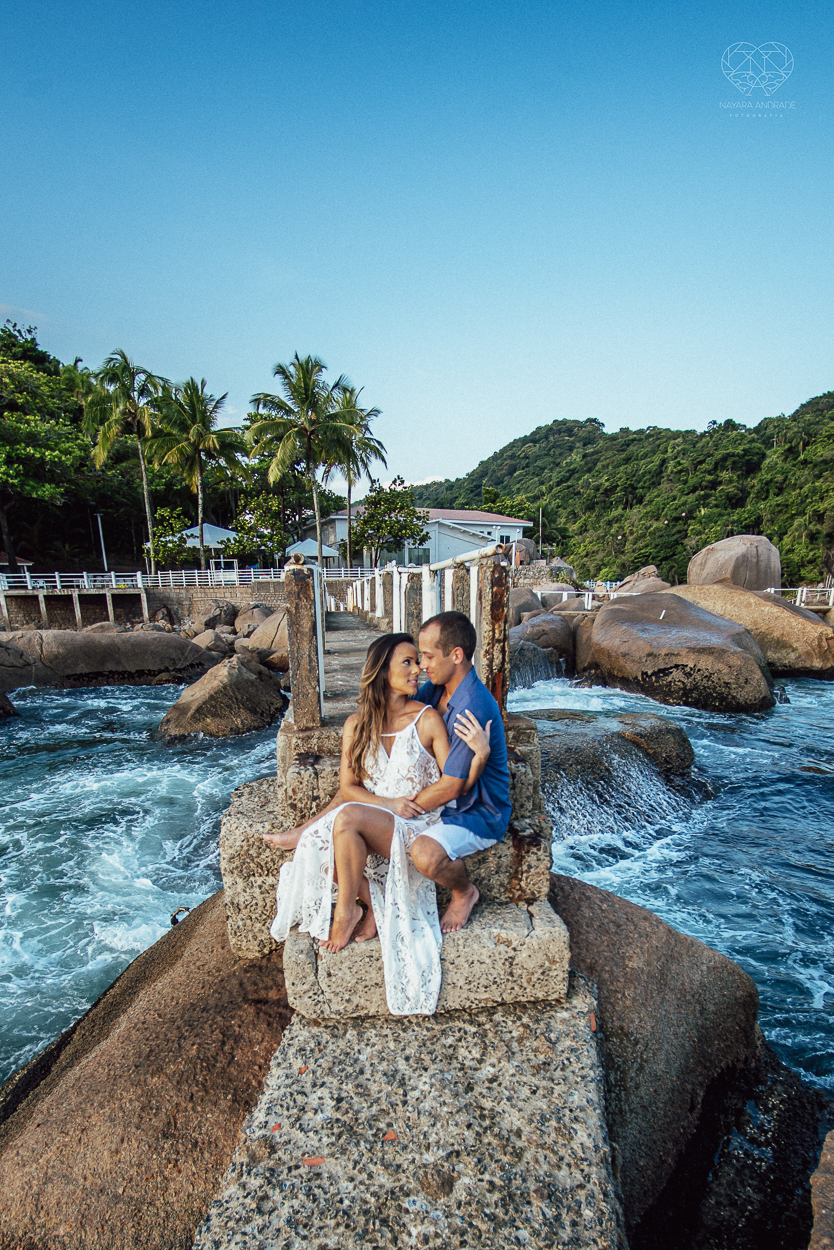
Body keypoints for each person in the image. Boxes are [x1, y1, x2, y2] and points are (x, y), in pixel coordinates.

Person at [268, 632, 491, 1015]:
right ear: (381, 670)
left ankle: (345, 914)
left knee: (346, 819)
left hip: (416, 825)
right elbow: (348, 787)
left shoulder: (427, 719)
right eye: (407, 662)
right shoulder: (356, 725)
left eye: (417, 661)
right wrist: (384, 803)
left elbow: (450, 785)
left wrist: (480, 756)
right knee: (316, 840)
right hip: (379, 817)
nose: (418, 669)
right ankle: (366, 907)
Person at [409, 611, 512, 932]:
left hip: (476, 812)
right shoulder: (438, 689)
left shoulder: (472, 706)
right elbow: (402, 705)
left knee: (424, 855)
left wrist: (397, 807)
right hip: (446, 800)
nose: (422, 665)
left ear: (456, 655)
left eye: (427, 656)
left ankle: (464, 892)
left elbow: (455, 787)